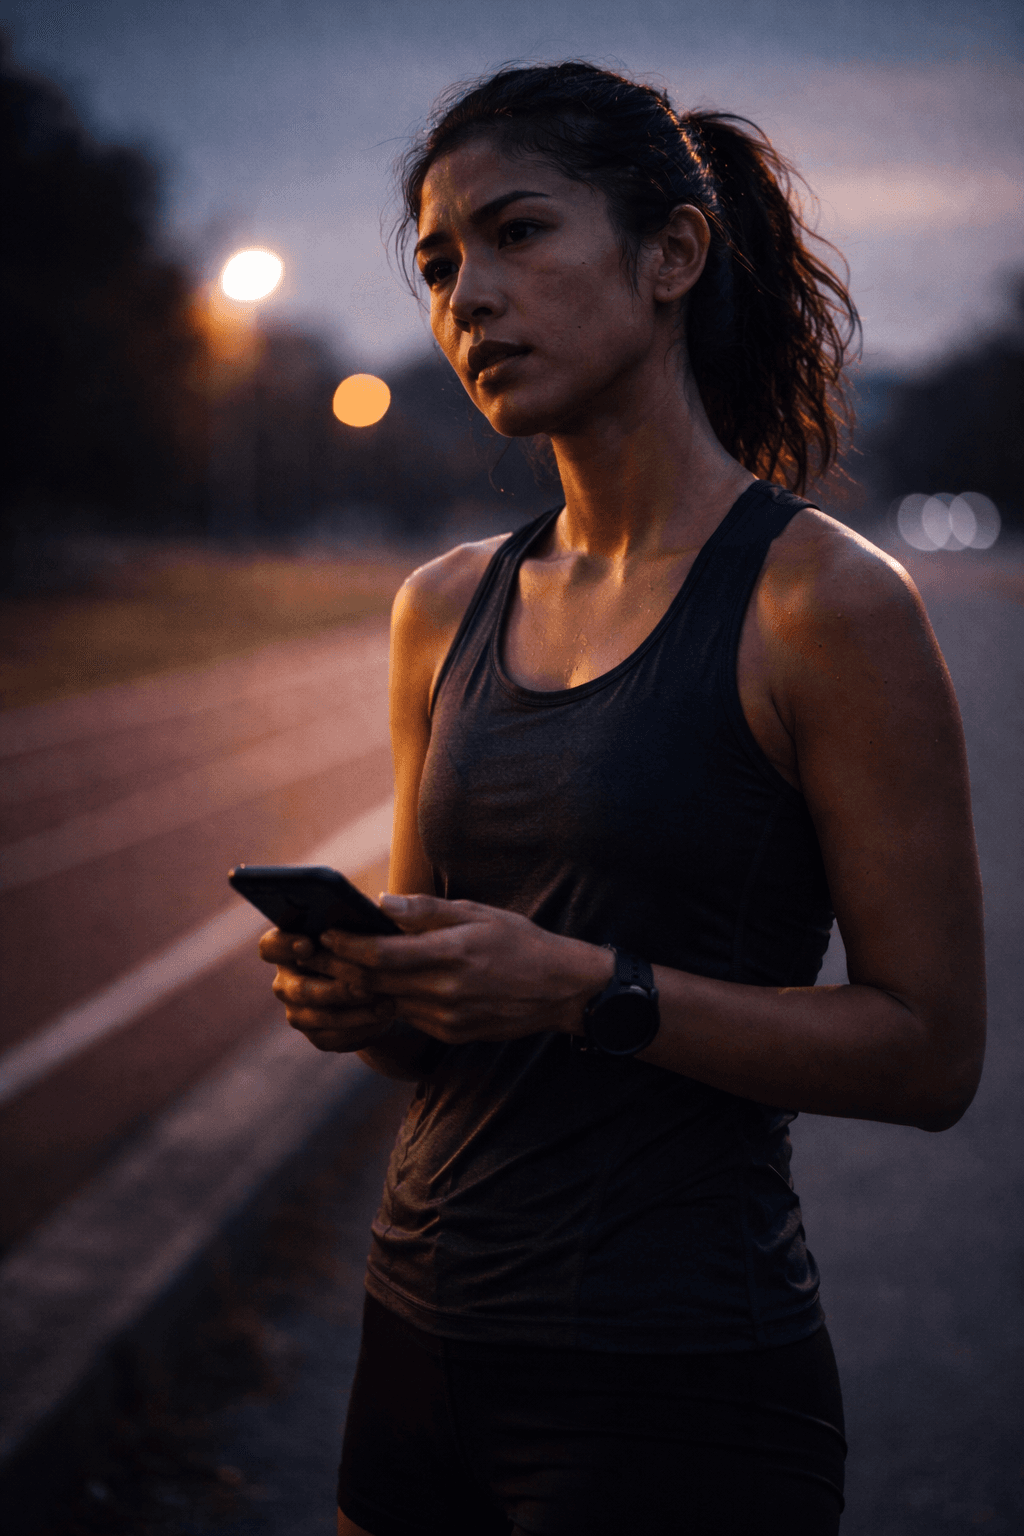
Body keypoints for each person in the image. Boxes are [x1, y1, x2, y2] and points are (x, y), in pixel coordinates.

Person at [258, 62, 986, 1536]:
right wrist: (373, 995)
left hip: (679, 1381)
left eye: (519, 233)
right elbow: (438, 1027)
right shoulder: (440, 604)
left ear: (671, 256)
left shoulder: (825, 603)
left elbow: (928, 1057)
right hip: (414, 1343)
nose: (470, 295)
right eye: (440, 262)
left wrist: (588, 988)